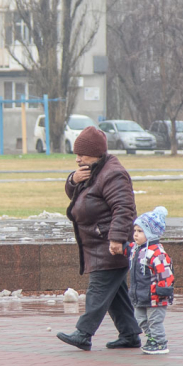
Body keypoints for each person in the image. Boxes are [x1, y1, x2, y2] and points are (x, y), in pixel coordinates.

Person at [56, 126, 142, 351]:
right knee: (115, 293)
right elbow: (78, 196)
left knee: (99, 289)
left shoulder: (112, 174)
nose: (77, 159)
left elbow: (124, 208)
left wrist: (116, 239)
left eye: (81, 154)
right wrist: (73, 180)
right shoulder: (93, 169)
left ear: (95, 152)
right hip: (97, 243)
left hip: (109, 245)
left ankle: (83, 333)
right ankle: (130, 334)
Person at [128, 206, 175, 355]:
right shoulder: (137, 249)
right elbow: (128, 250)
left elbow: (165, 274)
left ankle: (160, 342)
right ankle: (151, 339)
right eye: (135, 230)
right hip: (140, 294)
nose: (135, 234)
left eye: (140, 231)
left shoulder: (157, 252)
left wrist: (163, 290)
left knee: (154, 321)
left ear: (150, 233)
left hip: (156, 295)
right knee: (141, 319)